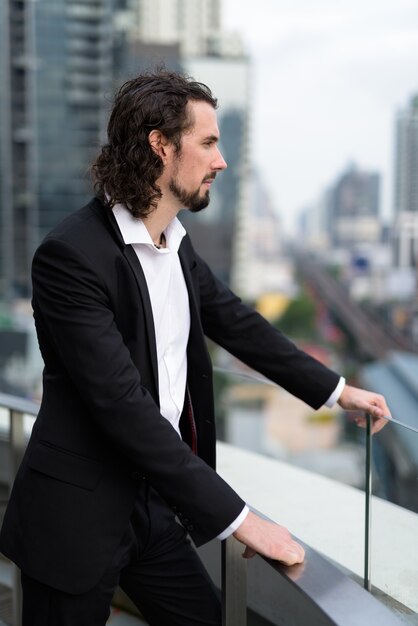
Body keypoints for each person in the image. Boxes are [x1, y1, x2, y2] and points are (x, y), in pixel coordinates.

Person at [0, 70, 390, 626]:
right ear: (160, 145)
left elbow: (237, 323)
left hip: (153, 503)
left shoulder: (176, 245)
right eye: (208, 142)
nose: (221, 160)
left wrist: (338, 391)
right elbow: (123, 407)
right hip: (75, 517)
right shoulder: (71, 256)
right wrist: (242, 519)